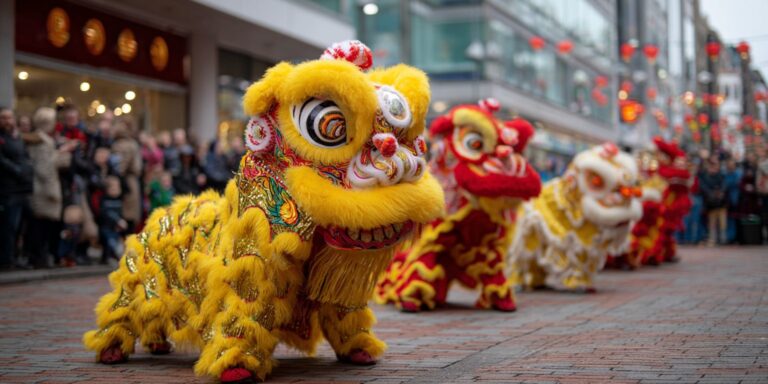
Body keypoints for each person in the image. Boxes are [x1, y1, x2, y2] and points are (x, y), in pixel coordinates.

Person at [23, 107, 76, 268]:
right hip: (44, 189)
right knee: (40, 227)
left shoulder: (44, 139)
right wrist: (63, 151)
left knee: (44, 227)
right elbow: (44, 168)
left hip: (45, 188)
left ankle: (41, 257)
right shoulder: (41, 141)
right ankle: (38, 258)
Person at [0, 107, 34, 269]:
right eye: (3, 118)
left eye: (9, 118)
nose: (7, 121)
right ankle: (7, 259)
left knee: (22, 226)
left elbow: (25, 158)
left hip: (24, 189)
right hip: (9, 190)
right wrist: (17, 170)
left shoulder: (17, 138)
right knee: (9, 226)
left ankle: (16, 256)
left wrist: (27, 170)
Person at [111, 120, 142, 231]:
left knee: (126, 215)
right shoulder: (132, 143)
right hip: (131, 180)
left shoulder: (120, 145)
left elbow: (120, 167)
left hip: (125, 182)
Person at [98, 176, 127, 264]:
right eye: (113, 188)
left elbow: (120, 213)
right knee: (110, 242)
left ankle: (110, 257)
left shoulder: (119, 200)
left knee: (115, 242)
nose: (116, 190)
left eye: (118, 188)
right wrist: (118, 220)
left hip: (115, 227)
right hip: (106, 227)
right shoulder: (105, 200)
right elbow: (106, 214)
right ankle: (107, 257)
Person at [699, 157, 727, 246]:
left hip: (721, 202)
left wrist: (720, 192)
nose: (713, 168)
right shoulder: (704, 176)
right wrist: (712, 193)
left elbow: (724, 185)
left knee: (722, 221)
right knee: (712, 222)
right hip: (711, 202)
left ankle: (722, 239)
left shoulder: (721, 175)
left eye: (715, 166)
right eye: (711, 166)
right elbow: (703, 187)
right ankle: (713, 239)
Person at [723, 158, 743, 244]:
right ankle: (730, 237)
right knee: (730, 219)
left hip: (737, 198)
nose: (730, 166)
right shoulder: (726, 173)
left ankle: (737, 237)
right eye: (729, 164)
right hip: (728, 200)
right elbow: (725, 184)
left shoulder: (738, 173)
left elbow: (735, 183)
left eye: (732, 164)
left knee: (737, 219)